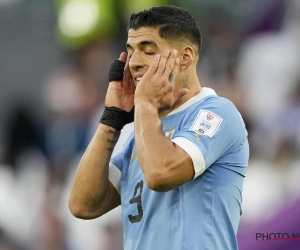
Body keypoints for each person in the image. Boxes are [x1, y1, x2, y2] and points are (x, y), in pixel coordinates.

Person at [68, 5, 249, 250]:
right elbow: (82, 205)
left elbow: (160, 174)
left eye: (149, 51)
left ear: (185, 57)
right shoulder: (141, 135)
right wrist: (112, 117)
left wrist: (144, 103)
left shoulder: (216, 112)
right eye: (130, 52)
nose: (134, 63)